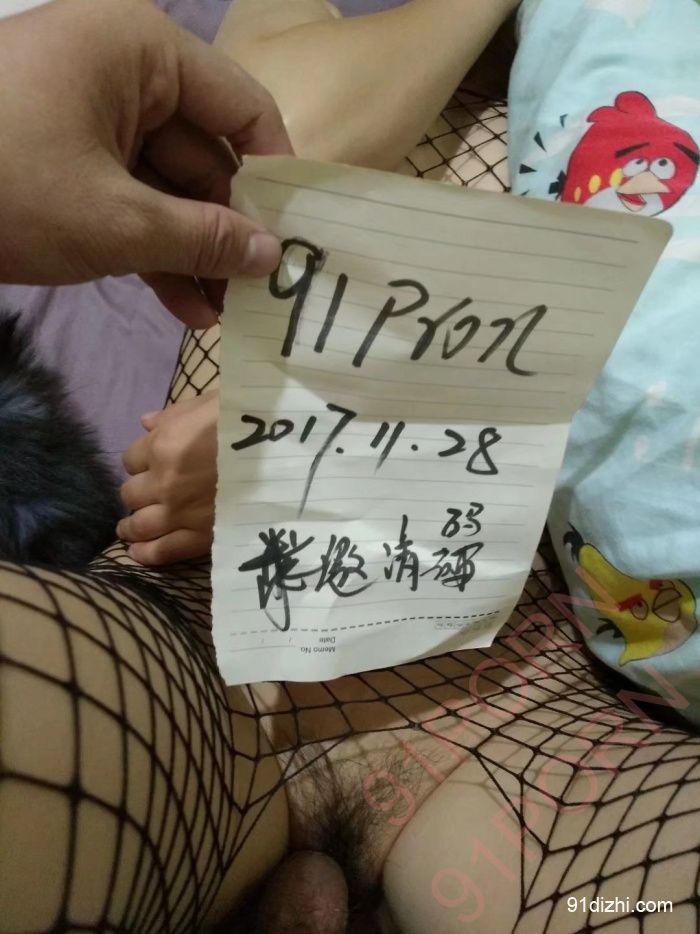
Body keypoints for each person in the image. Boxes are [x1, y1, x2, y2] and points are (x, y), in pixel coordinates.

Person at [2, 2, 699, 934]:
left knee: (624, 892)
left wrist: (357, 421)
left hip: (496, 721)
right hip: (201, 641)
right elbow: (262, 134)